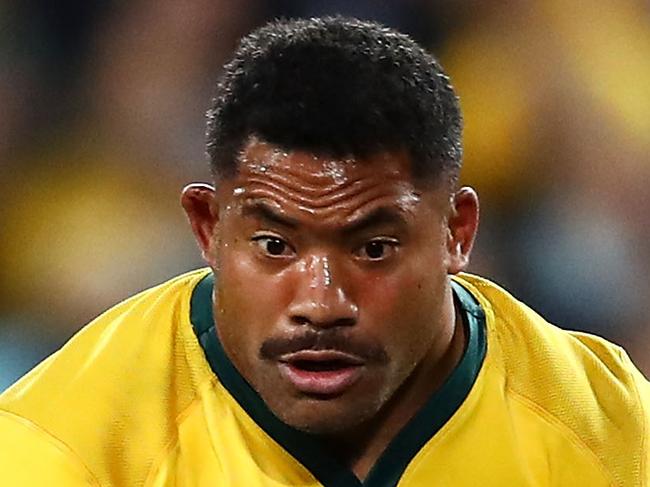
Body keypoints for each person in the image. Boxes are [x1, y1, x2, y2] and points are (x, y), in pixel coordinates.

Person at [0, 16, 648, 486]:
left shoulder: (614, 441)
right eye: (276, 244)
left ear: (458, 233)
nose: (320, 302)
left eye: (372, 247)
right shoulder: (63, 446)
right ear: (208, 228)